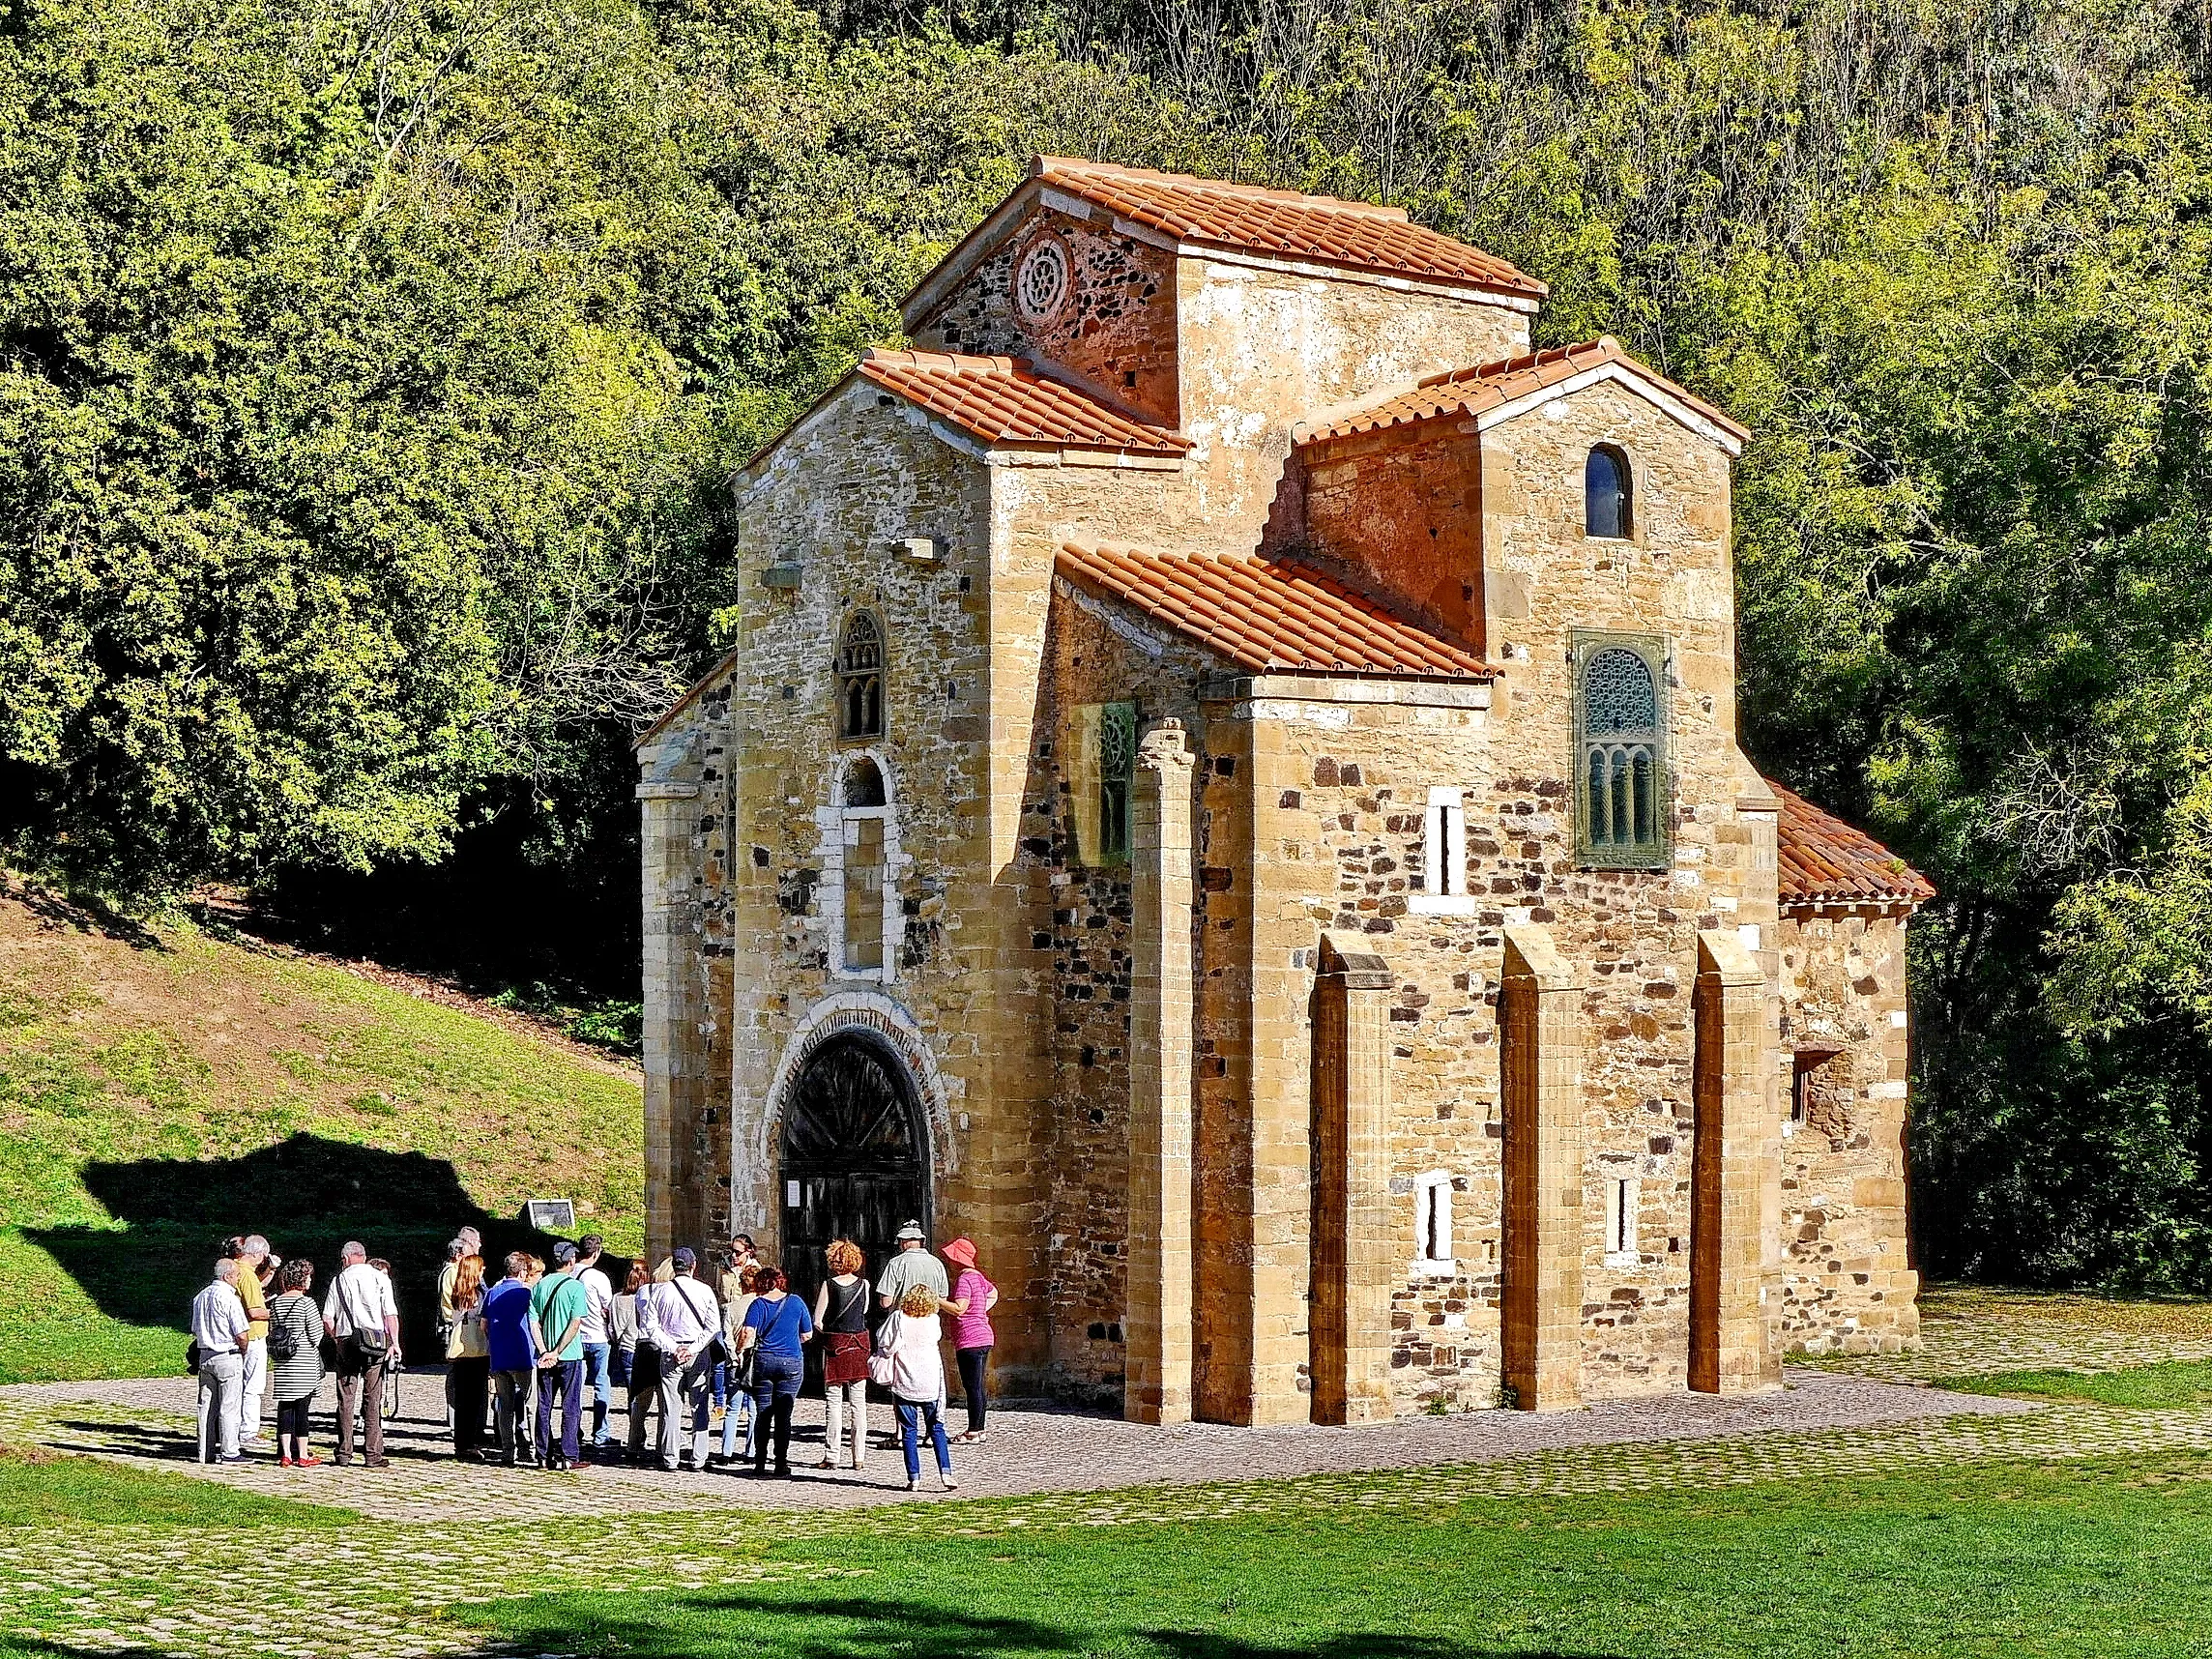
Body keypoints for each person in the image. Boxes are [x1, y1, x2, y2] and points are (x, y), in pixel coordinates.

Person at [637, 1246, 720, 1472]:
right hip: (697, 1352)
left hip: (670, 1355)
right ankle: (698, 1457)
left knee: (671, 1408)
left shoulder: (660, 1292)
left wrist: (674, 1348)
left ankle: (670, 1458)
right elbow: (713, 1327)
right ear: (694, 1265)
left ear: (674, 1266)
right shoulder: (705, 1291)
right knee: (699, 1406)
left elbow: (651, 1328)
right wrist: (692, 1348)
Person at [322, 1240, 398, 1469]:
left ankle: (344, 1452)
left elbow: (327, 1317)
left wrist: (337, 1338)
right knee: (372, 1398)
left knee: (346, 1398)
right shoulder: (380, 1278)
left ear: (345, 1258)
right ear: (364, 1256)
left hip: (347, 1341)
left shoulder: (339, 1280)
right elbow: (390, 1315)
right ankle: (373, 1454)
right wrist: (394, 1344)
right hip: (376, 1342)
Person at [737, 1263, 812, 1477]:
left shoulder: (758, 1304)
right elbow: (808, 1335)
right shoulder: (796, 1302)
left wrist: (739, 1350)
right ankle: (781, 1462)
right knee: (783, 1415)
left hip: (764, 1362)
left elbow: (747, 1331)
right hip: (791, 1362)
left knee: (763, 1413)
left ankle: (760, 1462)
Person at [879, 1283, 956, 1493]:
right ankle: (946, 1473)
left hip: (905, 1379)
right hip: (930, 1381)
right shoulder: (933, 1320)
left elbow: (884, 1342)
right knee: (937, 1428)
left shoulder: (898, 1318)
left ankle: (914, 1477)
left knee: (909, 1431)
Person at [530, 1240, 590, 1470]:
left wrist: (544, 1351)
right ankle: (568, 1455)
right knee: (571, 1406)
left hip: (545, 1358)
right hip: (570, 1355)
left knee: (543, 1405)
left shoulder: (539, 1285)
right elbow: (575, 1323)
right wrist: (557, 1351)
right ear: (572, 1260)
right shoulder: (575, 1287)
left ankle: (543, 1455)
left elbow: (533, 1322)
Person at [813, 1240, 871, 1470]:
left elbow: (818, 1320)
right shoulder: (864, 1285)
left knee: (834, 1403)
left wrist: (826, 1329)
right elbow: (864, 1311)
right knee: (859, 1404)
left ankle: (832, 1455)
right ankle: (859, 1457)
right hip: (859, 1346)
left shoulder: (829, 1285)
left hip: (836, 1346)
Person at [267, 1258, 328, 1468]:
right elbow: (316, 1334)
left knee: (285, 1407)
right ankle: (302, 1454)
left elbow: (273, 1329)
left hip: (283, 1362)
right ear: (303, 1279)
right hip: (302, 1361)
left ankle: (285, 1454)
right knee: (302, 1408)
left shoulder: (277, 1302)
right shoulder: (306, 1303)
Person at [190, 1259, 250, 1464]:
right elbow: (241, 1333)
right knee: (229, 1405)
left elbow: (195, 1328)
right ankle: (230, 1451)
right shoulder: (229, 1298)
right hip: (227, 1353)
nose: (237, 1279)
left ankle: (204, 1451)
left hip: (205, 1354)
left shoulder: (200, 1296)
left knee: (205, 1406)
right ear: (227, 1276)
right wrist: (244, 1349)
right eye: (236, 1276)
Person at [940, 1237, 1000, 1442]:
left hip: (969, 1339)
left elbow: (959, 1308)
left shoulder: (964, 1280)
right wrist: (980, 1311)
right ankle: (979, 1428)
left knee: (972, 1386)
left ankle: (974, 1430)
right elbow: (994, 1294)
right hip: (984, 1335)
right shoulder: (979, 1277)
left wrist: (938, 1301)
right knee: (979, 1385)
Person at [483, 1251, 538, 1468]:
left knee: (504, 1405)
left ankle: (507, 1450)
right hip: (523, 1354)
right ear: (523, 1271)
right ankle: (533, 1448)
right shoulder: (527, 1293)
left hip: (499, 1355)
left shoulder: (493, 1293)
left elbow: (484, 1325)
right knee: (531, 1403)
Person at [446, 1253, 492, 1461]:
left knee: (463, 1399)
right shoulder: (479, 1295)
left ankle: (462, 1442)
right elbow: (484, 1317)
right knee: (475, 1399)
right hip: (478, 1350)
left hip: (460, 1351)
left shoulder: (458, 1293)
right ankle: (470, 1442)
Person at [573, 1236, 616, 1456]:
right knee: (601, 1384)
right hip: (598, 1337)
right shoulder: (599, 1278)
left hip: (574, 1338)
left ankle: (575, 1430)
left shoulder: (569, 1274)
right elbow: (608, 1308)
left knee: (576, 1388)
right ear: (597, 1252)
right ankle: (601, 1433)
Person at [714, 1263, 759, 1468]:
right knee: (753, 1409)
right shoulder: (761, 1306)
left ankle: (726, 1451)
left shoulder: (732, 1308)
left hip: (735, 1361)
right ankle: (751, 1451)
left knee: (732, 1408)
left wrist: (734, 1354)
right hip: (755, 1359)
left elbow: (727, 1337)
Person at [232, 1235, 273, 1448]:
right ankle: (248, 1431)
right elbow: (255, 1311)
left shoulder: (235, 1268)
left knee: (238, 1385)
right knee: (253, 1387)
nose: (263, 1260)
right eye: (263, 1256)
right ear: (256, 1253)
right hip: (254, 1335)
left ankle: (233, 1427)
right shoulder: (247, 1275)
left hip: (238, 1335)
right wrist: (276, 1311)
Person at [610, 1258, 651, 1462]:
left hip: (626, 1349)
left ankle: (636, 1433)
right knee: (645, 1397)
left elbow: (614, 1329)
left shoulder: (617, 1299)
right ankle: (639, 1434)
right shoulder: (650, 1297)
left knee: (632, 1396)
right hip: (645, 1349)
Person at [873, 1221, 948, 1312]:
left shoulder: (896, 1263)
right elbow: (943, 1301)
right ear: (922, 1242)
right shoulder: (937, 1264)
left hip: (903, 1321)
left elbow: (886, 1302)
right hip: (929, 1322)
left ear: (902, 1242)